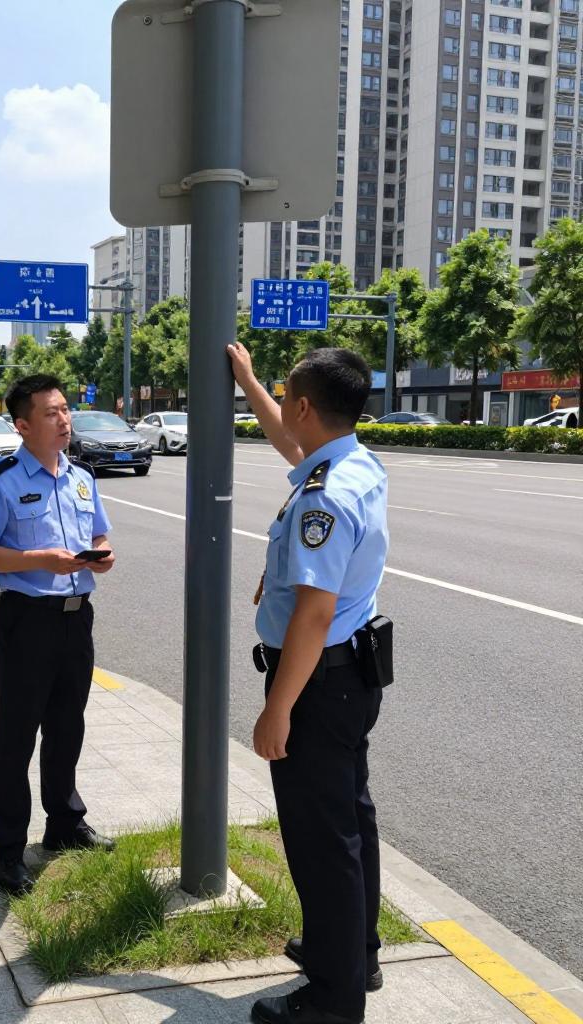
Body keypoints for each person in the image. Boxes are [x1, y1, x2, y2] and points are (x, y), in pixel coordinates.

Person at [227, 342, 389, 1024]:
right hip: (353, 678)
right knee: (350, 821)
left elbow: (314, 614)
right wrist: (248, 380)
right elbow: (283, 435)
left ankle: (333, 997)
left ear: (305, 407)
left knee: (322, 841)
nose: (280, 407)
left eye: (284, 395)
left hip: (318, 686)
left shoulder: (324, 497)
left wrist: (277, 710)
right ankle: (357, 953)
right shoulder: (354, 464)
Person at [0, 374, 116, 898]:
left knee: (67, 724)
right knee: (16, 733)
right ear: (23, 425)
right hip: (27, 619)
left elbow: (99, 532)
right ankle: (7, 846)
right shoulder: (0, 481)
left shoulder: (81, 477)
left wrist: (102, 551)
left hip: (78, 616)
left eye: (66, 410)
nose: (64, 419)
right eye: (51, 413)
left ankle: (64, 825)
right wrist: (40, 561)